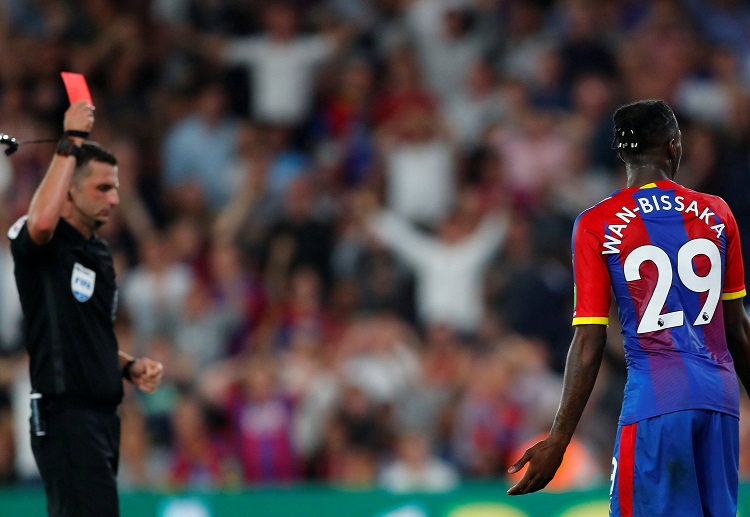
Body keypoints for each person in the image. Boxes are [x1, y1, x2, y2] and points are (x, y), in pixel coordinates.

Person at [506, 99, 750, 516]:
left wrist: (559, 439)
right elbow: (738, 330)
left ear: (621, 154)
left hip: (656, 402)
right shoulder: (718, 212)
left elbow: (589, 339)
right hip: (720, 402)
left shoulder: (597, 223)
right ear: (673, 147)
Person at [7, 100, 164, 516]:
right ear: (69, 191)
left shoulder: (99, 254)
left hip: (102, 420)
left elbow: (89, 338)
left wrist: (128, 366)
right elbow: (41, 221)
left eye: (116, 187)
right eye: (102, 187)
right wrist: (71, 141)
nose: (114, 198)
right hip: (65, 415)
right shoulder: (43, 241)